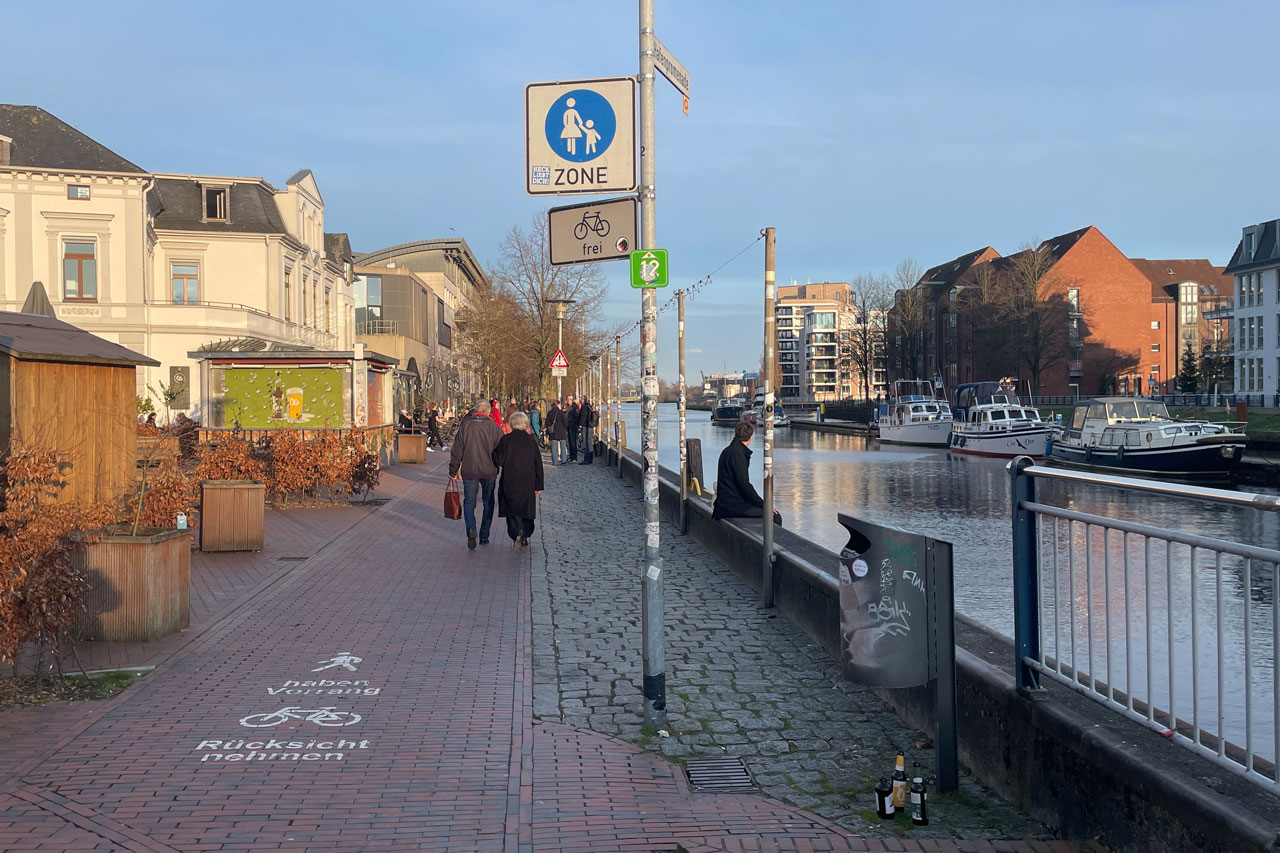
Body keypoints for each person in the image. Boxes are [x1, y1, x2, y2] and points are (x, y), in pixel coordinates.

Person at [449, 401, 504, 549]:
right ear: (488, 412)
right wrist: (500, 465)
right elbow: (502, 450)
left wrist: (453, 471)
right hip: (489, 470)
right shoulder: (495, 427)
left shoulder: (466, 426)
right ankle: (484, 535)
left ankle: (471, 529)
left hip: (470, 469)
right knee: (488, 502)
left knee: (469, 502)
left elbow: (457, 450)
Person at [712, 421, 782, 525]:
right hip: (730, 506)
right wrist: (764, 505)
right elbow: (744, 485)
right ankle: (770, 541)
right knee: (775, 516)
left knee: (767, 512)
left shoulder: (729, 451)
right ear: (750, 438)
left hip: (726, 502)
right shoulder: (737, 454)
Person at [493, 411, 544, 548]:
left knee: (512, 508)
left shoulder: (506, 440)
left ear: (512, 424)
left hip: (510, 479)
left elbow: (499, 460)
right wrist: (538, 484)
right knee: (527, 508)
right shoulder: (531, 442)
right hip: (528, 480)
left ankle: (516, 531)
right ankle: (525, 533)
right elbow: (538, 464)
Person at [545, 399, 568, 465]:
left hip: (553, 432)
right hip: (561, 432)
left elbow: (547, 423)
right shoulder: (561, 412)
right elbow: (565, 422)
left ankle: (555, 462)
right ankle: (563, 461)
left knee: (554, 448)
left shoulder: (550, 413)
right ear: (558, 404)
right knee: (563, 447)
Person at [578, 397, 595, 465]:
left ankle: (586, 459)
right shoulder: (589, 406)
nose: (580, 400)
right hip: (590, 426)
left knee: (586, 442)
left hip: (586, 426)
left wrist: (580, 424)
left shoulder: (584, 407)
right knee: (590, 442)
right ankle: (590, 458)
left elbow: (583, 416)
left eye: (581, 399)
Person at [565, 395, 580, 463]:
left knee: (573, 442)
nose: (567, 400)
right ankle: (571, 457)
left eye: (569, 399)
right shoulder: (567, 406)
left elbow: (577, 417)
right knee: (569, 442)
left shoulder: (574, 407)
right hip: (568, 426)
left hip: (573, 426)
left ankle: (574, 457)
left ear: (571, 400)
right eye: (567, 399)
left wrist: (572, 423)